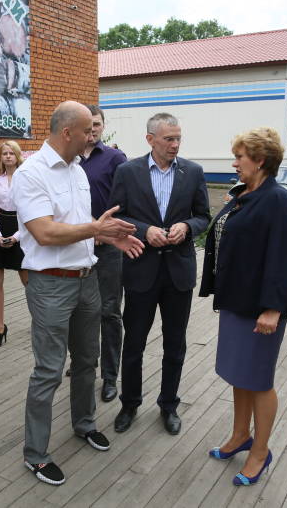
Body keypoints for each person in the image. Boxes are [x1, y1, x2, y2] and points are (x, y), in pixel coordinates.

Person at [11, 101, 144, 486]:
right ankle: (36, 454)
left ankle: (84, 424)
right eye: (87, 130)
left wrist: (107, 237)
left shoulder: (77, 171)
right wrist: (96, 229)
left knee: (87, 359)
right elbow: (45, 232)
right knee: (49, 370)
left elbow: (81, 227)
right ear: (67, 131)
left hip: (87, 278)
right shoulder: (31, 173)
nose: (92, 136)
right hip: (50, 285)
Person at [198, 127, 287, 487]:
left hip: (261, 307)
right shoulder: (245, 193)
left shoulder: (277, 199)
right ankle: (240, 435)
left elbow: (284, 257)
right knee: (238, 374)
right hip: (236, 301)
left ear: (259, 160)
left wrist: (272, 309)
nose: (234, 163)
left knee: (258, 380)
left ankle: (260, 451)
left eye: (239, 157)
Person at [109, 113, 209, 436]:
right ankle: (129, 403)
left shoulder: (193, 172)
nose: (175, 145)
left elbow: (203, 216)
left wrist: (187, 227)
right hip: (141, 269)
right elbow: (116, 216)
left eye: (178, 138)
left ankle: (169, 405)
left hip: (178, 272)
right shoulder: (127, 172)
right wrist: (144, 230)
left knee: (175, 344)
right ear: (150, 139)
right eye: (169, 139)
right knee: (134, 343)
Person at [80, 104, 127, 402]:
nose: (93, 129)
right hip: (76, 246)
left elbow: (125, 200)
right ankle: (85, 361)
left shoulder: (114, 158)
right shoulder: (69, 158)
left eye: (97, 124)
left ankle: (110, 376)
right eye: (88, 125)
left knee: (109, 311)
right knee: (82, 310)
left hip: (108, 247)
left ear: (102, 126)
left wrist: (103, 230)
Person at [0, 140, 28, 347]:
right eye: (4, 153)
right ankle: (0, 327)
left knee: (27, 280)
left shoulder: (25, 179)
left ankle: (39, 320)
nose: (8, 156)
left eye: (11, 153)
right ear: (0, 157)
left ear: (17, 156)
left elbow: (29, 212)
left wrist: (17, 237)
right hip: (0, 228)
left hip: (21, 226)